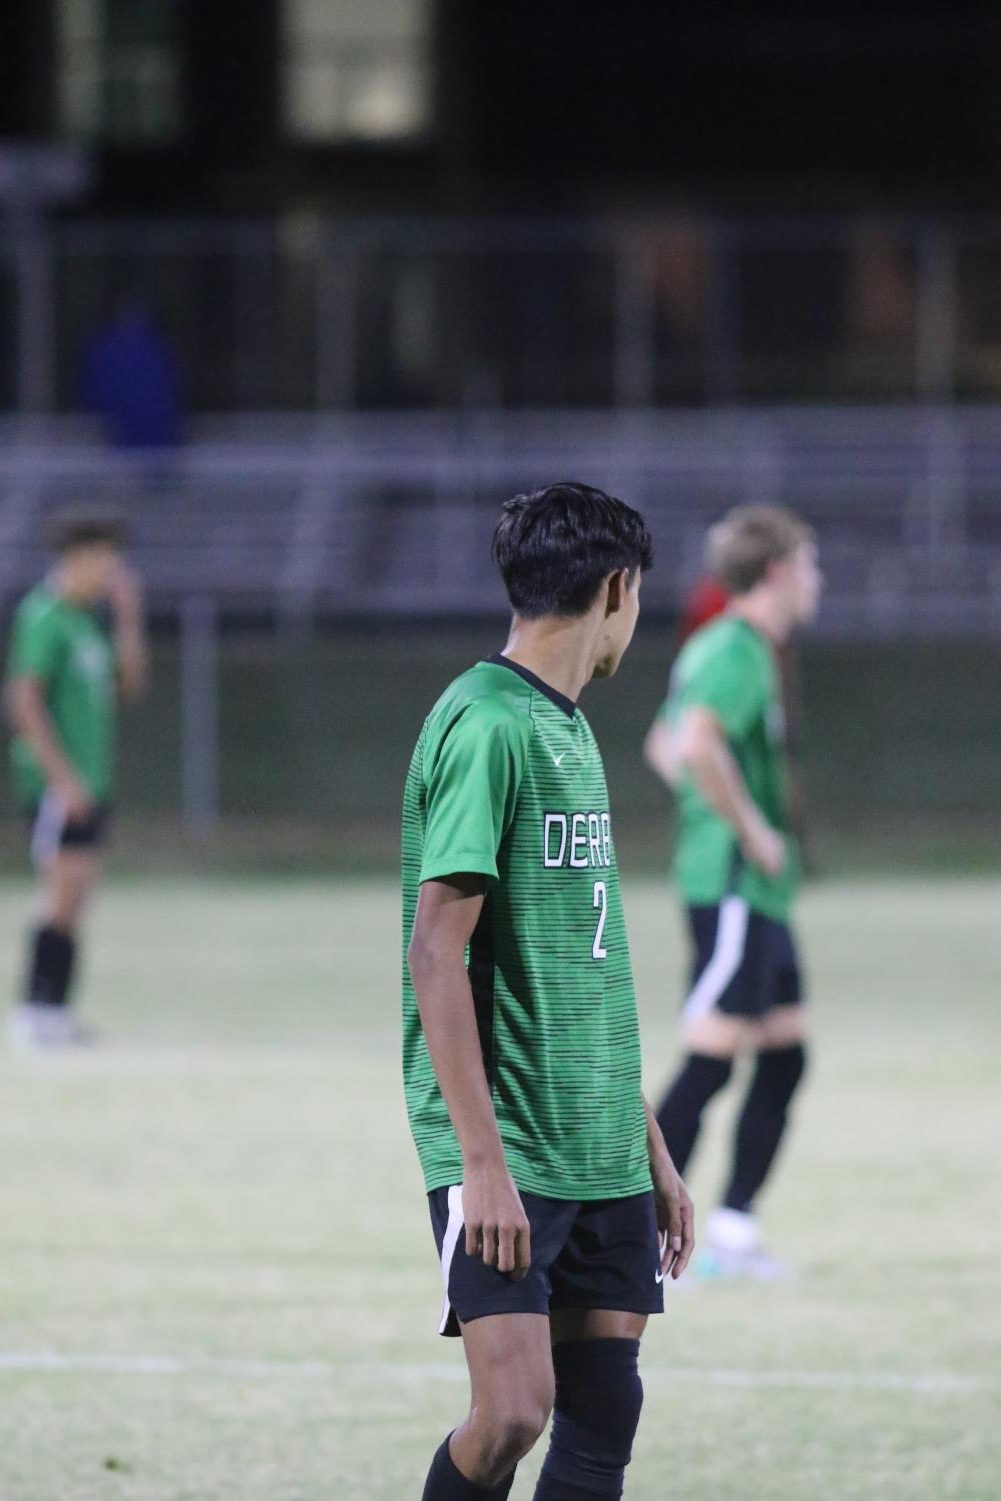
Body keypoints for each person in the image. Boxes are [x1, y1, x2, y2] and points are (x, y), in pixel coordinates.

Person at [402, 483, 695, 1501]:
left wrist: (644, 1141)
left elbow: (585, 963)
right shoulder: (486, 725)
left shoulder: (566, 727)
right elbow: (436, 952)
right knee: (512, 1413)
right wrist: (480, 1167)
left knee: (603, 1406)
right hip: (509, 1144)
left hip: (598, 1135)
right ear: (618, 589)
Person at [643, 505, 822, 1278]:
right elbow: (691, 743)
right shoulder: (738, 649)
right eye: (811, 566)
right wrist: (746, 829)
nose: (818, 582)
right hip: (735, 887)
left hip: (758, 895)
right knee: (709, 1061)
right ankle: (631, 1236)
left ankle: (733, 1230)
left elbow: (663, 740)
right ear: (777, 572)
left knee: (783, 1054)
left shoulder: (731, 648)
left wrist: (710, 800)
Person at [5, 514, 148, 1049]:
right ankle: (34, 1011)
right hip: (59, 787)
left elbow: (130, 685)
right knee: (59, 897)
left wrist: (130, 619)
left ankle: (57, 1012)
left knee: (78, 898)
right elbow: (25, 703)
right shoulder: (43, 616)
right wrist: (61, 781)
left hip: (93, 782)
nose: (112, 574)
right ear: (77, 558)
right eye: (106, 562)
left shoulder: (88, 622)